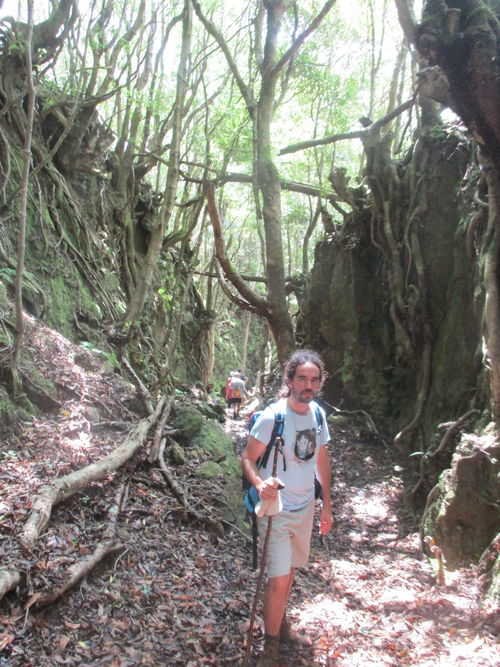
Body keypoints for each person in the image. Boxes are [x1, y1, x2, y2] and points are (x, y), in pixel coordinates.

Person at [240, 349, 333, 666]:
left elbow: (321, 458)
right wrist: (258, 484)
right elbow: (248, 459)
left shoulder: (318, 415)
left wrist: (327, 505)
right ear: (290, 380)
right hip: (276, 508)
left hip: (306, 506)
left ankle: (280, 623)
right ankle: (271, 647)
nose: (308, 385)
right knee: (279, 577)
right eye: (302, 378)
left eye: (314, 379)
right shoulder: (272, 417)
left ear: (320, 383)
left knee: (289, 571)